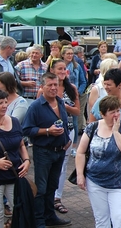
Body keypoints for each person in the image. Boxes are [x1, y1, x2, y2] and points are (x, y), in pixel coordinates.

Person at [75, 96, 121, 228]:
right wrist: (80, 174)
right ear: (102, 114)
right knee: (102, 220)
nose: (116, 115)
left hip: (119, 182)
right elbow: (80, 152)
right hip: (95, 181)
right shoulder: (92, 127)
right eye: (112, 112)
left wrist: (115, 131)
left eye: (118, 111)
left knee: (119, 219)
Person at [23, 72, 72, 228]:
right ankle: (39, 220)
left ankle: (50, 216)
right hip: (43, 151)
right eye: (49, 85)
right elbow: (27, 129)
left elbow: (64, 124)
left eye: (55, 85)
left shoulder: (61, 102)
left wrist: (67, 140)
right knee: (41, 188)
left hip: (59, 151)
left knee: (52, 186)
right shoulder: (36, 106)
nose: (53, 88)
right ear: (42, 87)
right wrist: (47, 131)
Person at [39, 59, 79, 215]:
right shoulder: (45, 90)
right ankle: (45, 199)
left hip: (67, 132)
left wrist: (62, 105)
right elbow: (38, 111)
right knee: (47, 167)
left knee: (62, 167)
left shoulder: (72, 88)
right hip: (48, 133)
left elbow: (77, 111)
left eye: (65, 69)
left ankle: (57, 198)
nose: (63, 71)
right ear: (53, 71)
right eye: (60, 69)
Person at [0, 88, 31, 228]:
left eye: (6, 102)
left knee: (20, 209)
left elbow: (21, 145)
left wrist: (26, 161)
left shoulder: (14, 121)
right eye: (0, 103)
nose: (4, 105)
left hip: (15, 175)